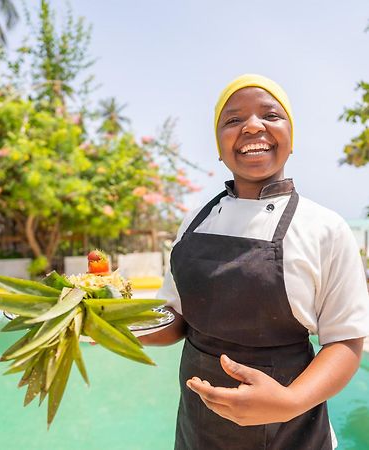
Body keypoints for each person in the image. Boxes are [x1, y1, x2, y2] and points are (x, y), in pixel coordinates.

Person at [141, 74, 369, 450]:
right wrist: (108, 322)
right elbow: (175, 317)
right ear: (218, 146)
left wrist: (289, 403)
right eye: (232, 120)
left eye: (271, 115)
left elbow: (345, 341)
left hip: (292, 434)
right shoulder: (195, 221)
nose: (251, 126)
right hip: (199, 432)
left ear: (291, 138)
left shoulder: (325, 228)